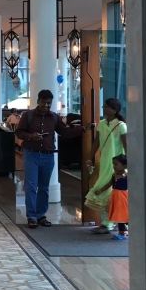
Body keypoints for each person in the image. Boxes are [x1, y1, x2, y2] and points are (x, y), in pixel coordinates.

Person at [15, 89, 92, 228]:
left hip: (48, 155)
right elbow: (19, 132)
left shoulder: (54, 117)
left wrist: (83, 129)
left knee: (44, 187)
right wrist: (30, 136)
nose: (46, 105)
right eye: (43, 102)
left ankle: (41, 215)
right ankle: (31, 217)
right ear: (38, 101)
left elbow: (65, 132)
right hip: (31, 154)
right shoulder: (28, 116)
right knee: (31, 186)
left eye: (48, 103)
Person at [84, 98, 128, 233]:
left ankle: (108, 223)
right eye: (103, 106)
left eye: (106, 107)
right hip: (105, 162)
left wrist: (127, 165)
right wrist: (90, 158)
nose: (103, 108)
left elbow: (126, 146)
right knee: (105, 189)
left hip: (117, 165)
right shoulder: (102, 124)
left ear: (114, 110)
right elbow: (96, 142)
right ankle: (112, 222)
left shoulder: (121, 125)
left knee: (112, 191)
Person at [93, 154, 129, 240]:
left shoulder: (126, 176)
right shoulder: (114, 174)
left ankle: (124, 232)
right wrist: (101, 190)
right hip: (115, 196)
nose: (114, 166)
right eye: (113, 164)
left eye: (116, 164)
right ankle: (122, 232)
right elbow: (110, 183)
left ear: (124, 166)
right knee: (119, 215)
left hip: (123, 197)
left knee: (122, 215)